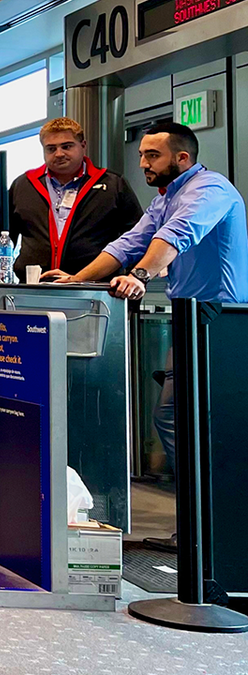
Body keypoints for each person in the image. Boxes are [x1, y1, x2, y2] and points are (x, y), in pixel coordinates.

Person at [45, 121, 248, 552]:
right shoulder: (166, 199)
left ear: (182, 158)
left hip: (220, 320)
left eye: (151, 155)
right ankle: (199, 526)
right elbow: (129, 242)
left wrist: (139, 277)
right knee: (177, 419)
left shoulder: (208, 190)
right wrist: (76, 281)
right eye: (140, 155)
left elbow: (174, 238)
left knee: (204, 423)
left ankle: (216, 526)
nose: (142, 163)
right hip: (189, 317)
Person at [8, 117, 143, 281]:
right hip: (34, 287)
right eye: (51, 149)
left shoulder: (112, 184)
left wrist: (132, 281)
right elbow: (5, 238)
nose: (59, 154)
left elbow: (137, 237)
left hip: (94, 288)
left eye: (66, 146)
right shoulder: (24, 185)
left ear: (83, 146)